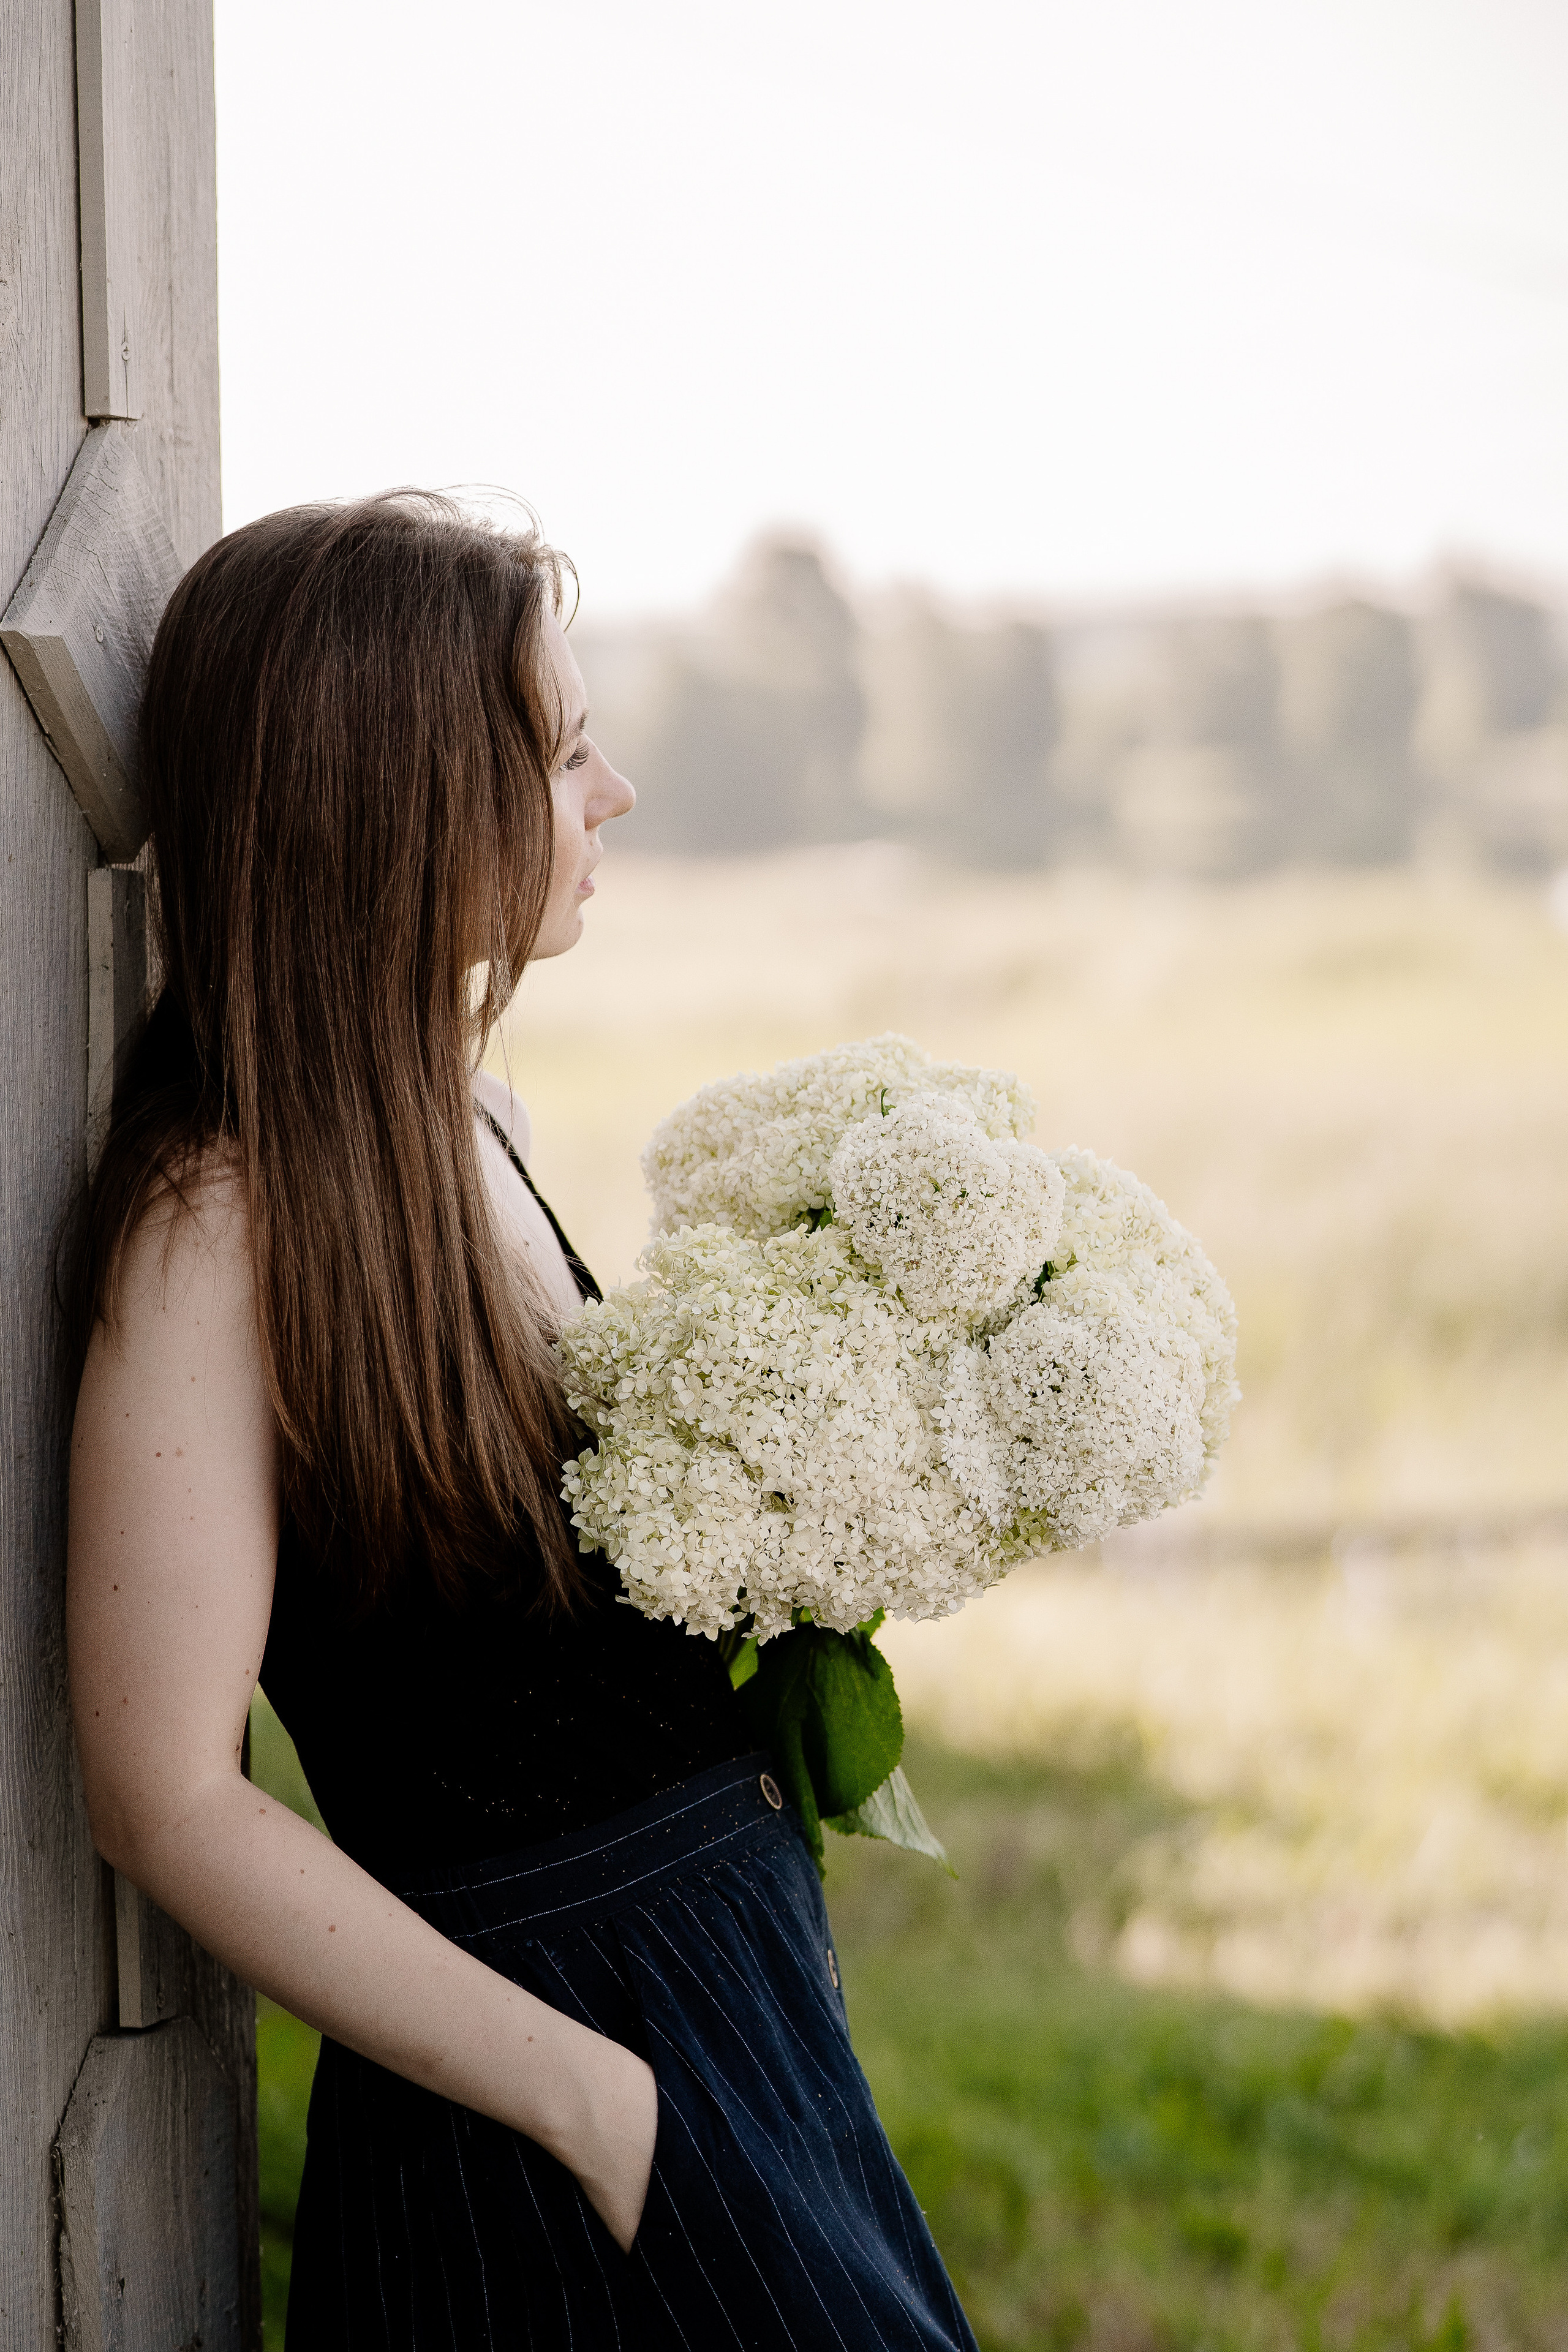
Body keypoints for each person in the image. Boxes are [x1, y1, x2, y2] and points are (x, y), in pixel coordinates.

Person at [66, 493, 978, 2351]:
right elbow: (162, 1795)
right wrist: (597, 2109)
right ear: (399, 800)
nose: (613, 790)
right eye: (563, 750)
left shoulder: (473, 1124)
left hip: (726, 2002)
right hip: (541, 2084)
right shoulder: (216, 1225)